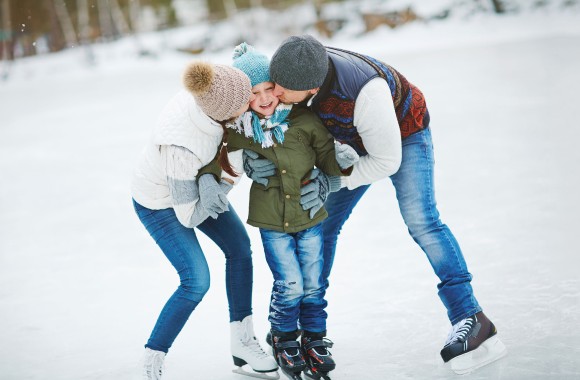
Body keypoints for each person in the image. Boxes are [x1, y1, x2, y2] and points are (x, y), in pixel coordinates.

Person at [242, 34, 507, 375]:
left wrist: (332, 181)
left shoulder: (366, 93)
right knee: (320, 226)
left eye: (280, 89)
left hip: (403, 136)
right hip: (351, 140)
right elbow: (248, 122)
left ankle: (471, 317)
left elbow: (386, 161)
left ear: (309, 88)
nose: (273, 94)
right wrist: (247, 157)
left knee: (422, 220)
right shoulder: (296, 73)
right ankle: (302, 325)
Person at [213, 42, 359, 380]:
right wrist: (236, 163)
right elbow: (221, 156)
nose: (264, 98)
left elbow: (326, 156)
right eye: (254, 93)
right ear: (242, 98)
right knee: (290, 282)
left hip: (309, 217)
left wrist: (338, 162)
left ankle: (315, 339)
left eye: (269, 89)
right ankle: (283, 338)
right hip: (272, 222)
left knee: (312, 282)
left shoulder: (305, 120)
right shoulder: (241, 132)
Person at [130, 61, 278, 379]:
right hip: (161, 203)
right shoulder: (179, 145)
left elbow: (231, 158)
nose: (251, 105)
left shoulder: (218, 99)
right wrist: (211, 184)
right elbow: (188, 216)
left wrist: (220, 177)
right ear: (223, 112)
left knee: (239, 247)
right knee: (196, 280)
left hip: (195, 185)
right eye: (245, 102)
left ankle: (242, 341)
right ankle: (153, 355)